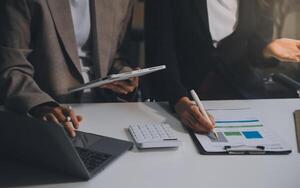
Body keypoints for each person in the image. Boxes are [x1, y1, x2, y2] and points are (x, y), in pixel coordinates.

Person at [144, 0, 300, 133]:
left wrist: (268, 49)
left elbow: (253, 52)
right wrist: (179, 101)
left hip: (244, 100)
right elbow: (159, 52)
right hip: (185, 100)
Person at [0, 0, 138, 136]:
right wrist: (41, 105)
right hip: (50, 115)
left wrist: (123, 74)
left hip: (108, 111)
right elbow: (12, 67)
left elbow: (117, 55)